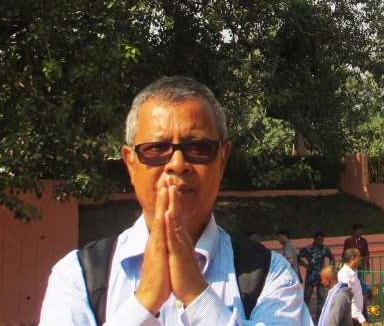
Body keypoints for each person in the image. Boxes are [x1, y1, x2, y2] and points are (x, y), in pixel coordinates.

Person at [39, 76, 311, 324]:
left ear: (223, 160)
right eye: (156, 149)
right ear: (130, 163)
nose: (178, 164)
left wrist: (196, 293)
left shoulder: (271, 278)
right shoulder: (79, 278)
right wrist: (144, 301)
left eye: (199, 148)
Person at [299, 230, 337, 319]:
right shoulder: (307, 249)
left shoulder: (325, 248)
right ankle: (304, 318)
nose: (320, 242)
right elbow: (297, 257)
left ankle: (319, 319)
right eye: (319, 240)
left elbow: (332, 258)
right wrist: (305, 265)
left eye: (322, 240)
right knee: (306, 298)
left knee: (320, 299)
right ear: (315, 239)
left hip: (322, 278)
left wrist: (329, 269)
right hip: (310, 277)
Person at [337, 248, 367, 326]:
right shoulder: (345, 275)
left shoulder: (353, 272)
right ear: (353, 258)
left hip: (356, 315)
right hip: (352, 317)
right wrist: (362, 320)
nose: (361, 258)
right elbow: (349, 299)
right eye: (359, 256)